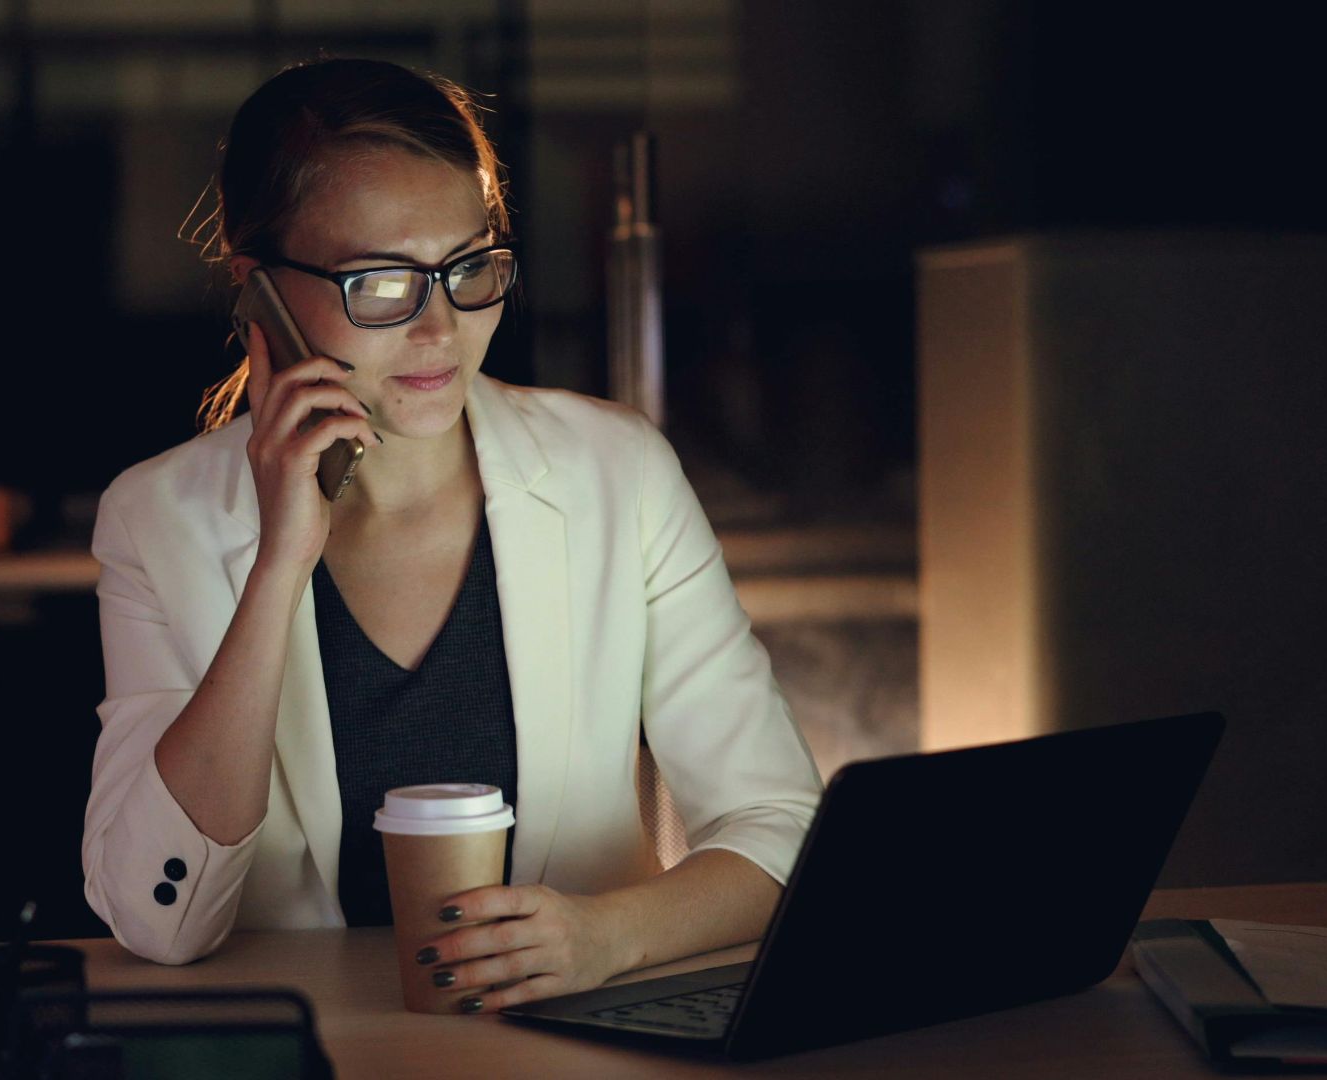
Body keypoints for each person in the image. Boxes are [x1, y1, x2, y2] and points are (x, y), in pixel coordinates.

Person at [82, 57, 821, 1013]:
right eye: (381, 283)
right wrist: (279, 566)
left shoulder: (616, 472)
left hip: (573, 1053)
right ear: (259, 292)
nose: (440, 329)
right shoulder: (156, 520)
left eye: (469, 268)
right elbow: (159, 921)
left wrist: (607, 937)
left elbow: (783, 827)